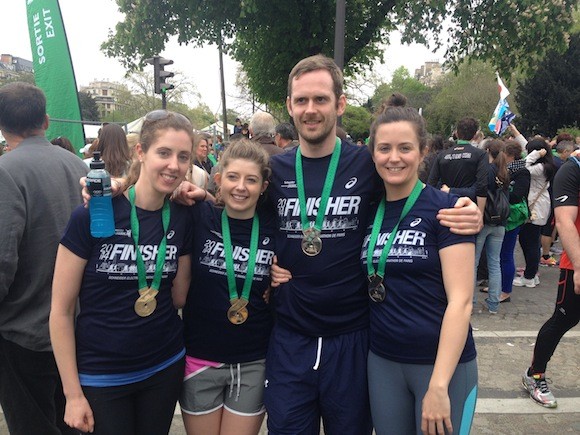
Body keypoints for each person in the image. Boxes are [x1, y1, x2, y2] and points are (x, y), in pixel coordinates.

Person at [264, 55, 482, 435]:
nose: (310, 110)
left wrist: (465, 207)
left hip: (354, 337)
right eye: (301, 101)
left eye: (320, 99)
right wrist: (185, 194)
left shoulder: (368, 164)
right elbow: (235, 211)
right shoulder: (275, 171)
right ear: (289, 106)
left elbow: (414, 192)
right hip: (291, 336)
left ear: (340, 103)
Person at [50, 110, 194, 434]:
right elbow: (60, 310)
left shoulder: (184, 218)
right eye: (164, 152)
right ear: (140, 152)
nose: (174, 165)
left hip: (164, 366)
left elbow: (179, 295)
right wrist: (72, 394)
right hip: (101, 375)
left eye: (183, 156)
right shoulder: (94, 214)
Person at [362, 99, 477, 435]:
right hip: (383, 361)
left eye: (405, 148)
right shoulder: (370, 211)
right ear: (373, 154)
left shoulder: (447, 210)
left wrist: (439, 385)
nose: (393, 157)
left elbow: (462, 301)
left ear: (423, 150)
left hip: (442, 366)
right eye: (384, 148)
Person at [0, 82, 88, 435]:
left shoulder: (7, 171)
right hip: (76, 325)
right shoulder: (76, 164)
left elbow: (3, 259)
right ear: (46, 121)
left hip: (23, 331)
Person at [175, 139, 276, 435]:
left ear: (263, 186)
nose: (241, 187)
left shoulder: (274, 226)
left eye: (251, 180)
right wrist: (113, 184)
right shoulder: (199, 216)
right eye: (233, 177)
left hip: (253, 361)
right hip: (200, 358)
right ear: (219, 180)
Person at [522, 155, 580, 408]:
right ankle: (535, 375)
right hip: (576, 263)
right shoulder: (572, 169)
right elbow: (565, 220)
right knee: (563, 320)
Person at [513, 138, 556, 288]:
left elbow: (518, 167)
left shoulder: (540, 167)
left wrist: (535, 155)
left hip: (535, 209)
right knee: (531, 241)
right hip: (538, 206)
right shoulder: (546, 165)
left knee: (529, 242)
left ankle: (529, 277)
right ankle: (532, 273)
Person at [475, 139, 509, 314]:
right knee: (495, 263)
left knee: (473, 263)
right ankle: (494, 304)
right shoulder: (504, 171)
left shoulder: (487, 170)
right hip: (500, 222)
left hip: (485, 219)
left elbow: (479, 191)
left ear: (487, 150)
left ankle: (471, 302)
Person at [427, 116, 488, 213]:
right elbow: (482, 186)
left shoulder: (442, 155)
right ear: (475, 135)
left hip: (445, 207)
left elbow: (431, 184)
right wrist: (480, 214)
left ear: (456, 133)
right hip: (468, 208)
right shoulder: (480, 155)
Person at [497, 140, 530, 302]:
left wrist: (503, 189)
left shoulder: (522, 172)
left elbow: (518, 194)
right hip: (503, 214)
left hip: (513, 216)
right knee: (497, 254)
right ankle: (498, 285)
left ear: (509, 155)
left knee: (506, 254)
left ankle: (506, 290)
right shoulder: (504, 169)